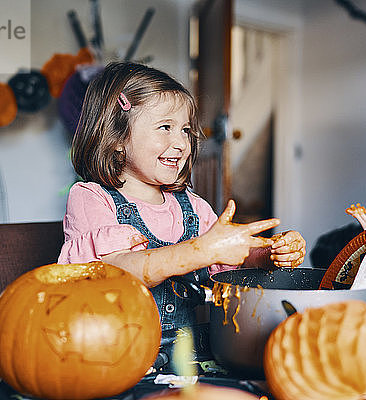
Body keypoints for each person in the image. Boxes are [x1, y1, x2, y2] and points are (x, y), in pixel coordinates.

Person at [58, 61, 306, 368]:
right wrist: (201, 250)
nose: (181, 143)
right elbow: (116, 274)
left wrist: (268, 253)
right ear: (118, 138)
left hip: (196, 359)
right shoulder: (90, 198)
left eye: (186, 130)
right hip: (119, 360)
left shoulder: (192, 204)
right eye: (165, 127)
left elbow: (229, 260)